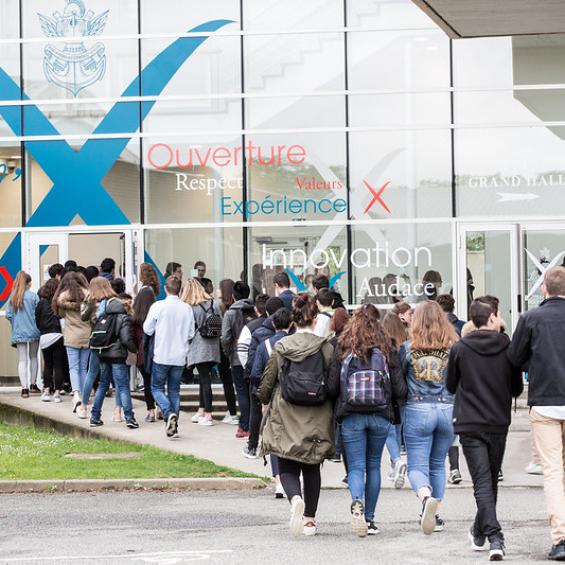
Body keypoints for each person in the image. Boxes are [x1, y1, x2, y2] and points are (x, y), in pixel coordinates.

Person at [447, 299, 523, 561]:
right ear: (491, 319)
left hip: (469, 422)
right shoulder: (508, 347)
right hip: (497, 421)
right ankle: (494, 536)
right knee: (488, 481)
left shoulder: (460, 348)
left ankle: (482, 531)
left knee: (484, 482)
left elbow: (450, 385)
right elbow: (516, 388)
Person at [258, 294, 335, 537]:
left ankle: (294, 500)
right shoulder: (326, 348)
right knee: (312, 468)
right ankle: (310, 521)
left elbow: (267, 382)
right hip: (316, 415)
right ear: (315, 319)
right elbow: (333, 385)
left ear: (294, 319)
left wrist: (262, 398)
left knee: (287, 465)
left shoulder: (282, 347)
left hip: (286, 413)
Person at [328, 305, 407, 537]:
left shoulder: (342, 348)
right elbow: (400, 389)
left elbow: (332, 387)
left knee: (355, 467)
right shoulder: (387, 348)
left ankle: (356, 503)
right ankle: (370, 519)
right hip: (381, 414)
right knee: (373, 465)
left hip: (351, 415)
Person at [508, 266, 565, 561]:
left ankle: (561, 538)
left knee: (553, 471)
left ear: (543, 289)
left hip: (545, 401)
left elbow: (514, 358)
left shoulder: (531, 318)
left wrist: (534, 361)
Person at [401, 300, 458, 535]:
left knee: (416, 465)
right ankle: (435, 515)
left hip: (417, 409)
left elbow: (399, 382)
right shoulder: (453, 347)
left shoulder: (408, 348)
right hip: (447, 409)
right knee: (438, 463)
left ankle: (425, 499)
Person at [144, 276, 195, 439]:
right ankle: (174, 424)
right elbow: (191, 333)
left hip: (161, 354)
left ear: (166, 288)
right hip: (180, 355)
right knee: (174, 390)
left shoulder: (158, 306)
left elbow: (147, 329)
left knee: (156, 388)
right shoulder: (187, 308)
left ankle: (168, 412)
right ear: (179, 289)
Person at [250, 306, 292, 497]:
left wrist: (263, 397)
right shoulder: (295, 343)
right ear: (291, 324)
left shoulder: (265, 345)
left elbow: (256, 374)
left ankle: (279, 482)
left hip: (274, 397)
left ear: (273, 323)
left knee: (274, 437)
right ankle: (293, 476)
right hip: (293, 396)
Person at [242, 296, 284, 458]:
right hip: (280, 382)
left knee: (256, 412)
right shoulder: (288, 334)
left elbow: (252, 360)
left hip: (260, 380)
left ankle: (252, 446)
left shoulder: (257, 332)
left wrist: (253, 380)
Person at [89, 294, 138, 429]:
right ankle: (130, 417)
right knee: (122, 386)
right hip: (117, 356)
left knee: (103, 385)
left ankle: (95, 416)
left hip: (103, 355)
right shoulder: (123, 318)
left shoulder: (103, 317)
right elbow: (126, 338)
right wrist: (134, 349)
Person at [182, 278, 222, 427]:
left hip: (199, 347)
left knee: (205, 380)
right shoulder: (215, 303)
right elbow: (221, 323)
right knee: (204, 378)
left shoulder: (192, 308)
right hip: (213, 346)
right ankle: (201, 410)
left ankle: (208, 414)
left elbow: (189, 331)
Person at [221, 281, 255, 438]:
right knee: (251, 392)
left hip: (236, 358)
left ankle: (245, 426)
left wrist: (228, 353)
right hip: (253, 357)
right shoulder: (254, 310)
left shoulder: (230, 313)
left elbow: (226, 337)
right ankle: (249, 425)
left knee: (241, 392)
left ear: (234, 296)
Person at [53, 272, 91, 413]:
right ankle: (84, 395)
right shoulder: (88, 296)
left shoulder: (64, 298)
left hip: (71, 336)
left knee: (73, 368)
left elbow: (62, 315)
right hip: (86, 335)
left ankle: (76, 394)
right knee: (83, 368)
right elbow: (91, 316)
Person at [79, 277, 117, 419]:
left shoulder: (92, 304)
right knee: (116, 377)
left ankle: (83, 406)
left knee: (92, 373)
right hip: (112, 343)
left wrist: (88, 302)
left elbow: (83, 317)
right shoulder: (114, 302)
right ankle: (118, 411)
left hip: (96, 342)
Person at [382, 312, 409, 489]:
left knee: (389, 432)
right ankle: (396, 465)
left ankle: (396, 461)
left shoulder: (383, 347)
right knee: (399, 430)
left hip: (387, 394)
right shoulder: (405, 347)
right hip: (403, 394)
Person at [5, 272, 40, 397]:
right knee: (34, 357)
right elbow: (39, 313)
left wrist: (16, 323)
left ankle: (24, 389)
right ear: (28, 283)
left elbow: (9, 315)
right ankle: (33, 384)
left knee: (22, 360)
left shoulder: (13, 297)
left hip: (19, 331)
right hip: (34, 330)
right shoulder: (34, 296)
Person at [132, 263, 159, 422]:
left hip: (144, 343)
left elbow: (138, 319)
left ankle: (151, 409)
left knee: (148, 379)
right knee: (154, 378)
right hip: (150, 342)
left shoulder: (144, 293)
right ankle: (157, 408)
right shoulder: (151, 293)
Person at [35, 278, 66, 402]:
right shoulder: (58, 302)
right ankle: (57, 393)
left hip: (45, 336)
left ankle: (47, 390)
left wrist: (42, 330)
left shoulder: (41, 303)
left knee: (47, 365)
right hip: (58, 335)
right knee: (58, 365)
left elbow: (37, 320)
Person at [217, 279, 239, 425]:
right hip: (237, 347)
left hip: (224, 347)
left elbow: (223, 333)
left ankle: (232, 412)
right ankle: (234, 411)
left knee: (227, 382)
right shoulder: (237, 307)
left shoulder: (220, 306)